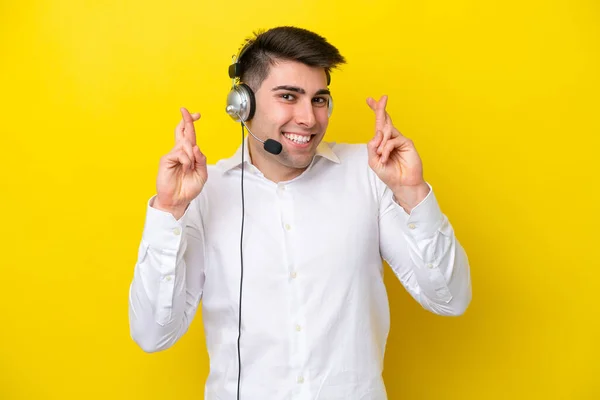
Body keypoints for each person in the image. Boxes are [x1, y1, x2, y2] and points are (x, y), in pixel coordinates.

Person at [128, 26, 472, 400]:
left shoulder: (371, 174)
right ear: (242, 105)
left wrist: (412, 193)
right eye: (288, 96)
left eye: (319, 99)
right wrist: (169, 211)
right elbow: (152, 334)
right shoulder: (203, 193)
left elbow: (451, 300)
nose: (309, 118)